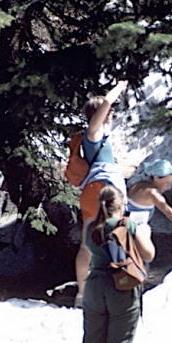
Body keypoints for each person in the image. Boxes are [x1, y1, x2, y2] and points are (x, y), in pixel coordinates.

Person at [79, 184, 155, 343]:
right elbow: (149, 253)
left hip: (94, 286)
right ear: (121, 205)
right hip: (121, 286)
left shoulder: (91, 227)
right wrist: (145, 232)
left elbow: (90, 250)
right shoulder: (129, 225)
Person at [74, 80, 130, 305]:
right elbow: (108, 101)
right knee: (117, 234)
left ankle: (81, 294)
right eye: (107, 111)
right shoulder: (93, 133)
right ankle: (122, 286)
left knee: (87, 244)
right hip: (103, 191)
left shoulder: (95, 138)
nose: (112, 111)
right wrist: (120, 86)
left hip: (90, 191)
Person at [126, 159, 172, 239]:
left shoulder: (138, 184)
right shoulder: (153, 194)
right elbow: (171, 214)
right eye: (167, 182)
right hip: (131, 232)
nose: (169, 186)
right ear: (156, 178)